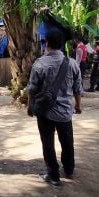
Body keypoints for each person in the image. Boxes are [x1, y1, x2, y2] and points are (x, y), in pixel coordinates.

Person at [27, 28, 82, 186]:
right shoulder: (71, 63)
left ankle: (53, 175)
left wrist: (30, 106)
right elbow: (77, 88)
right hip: (65, 111)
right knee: (67, 141)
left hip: (45, 112)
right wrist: (78, 105)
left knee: (48, 143)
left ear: (47, 44)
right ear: (62, 44)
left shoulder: (40, 63)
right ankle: (69, 168)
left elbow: (32, 88)